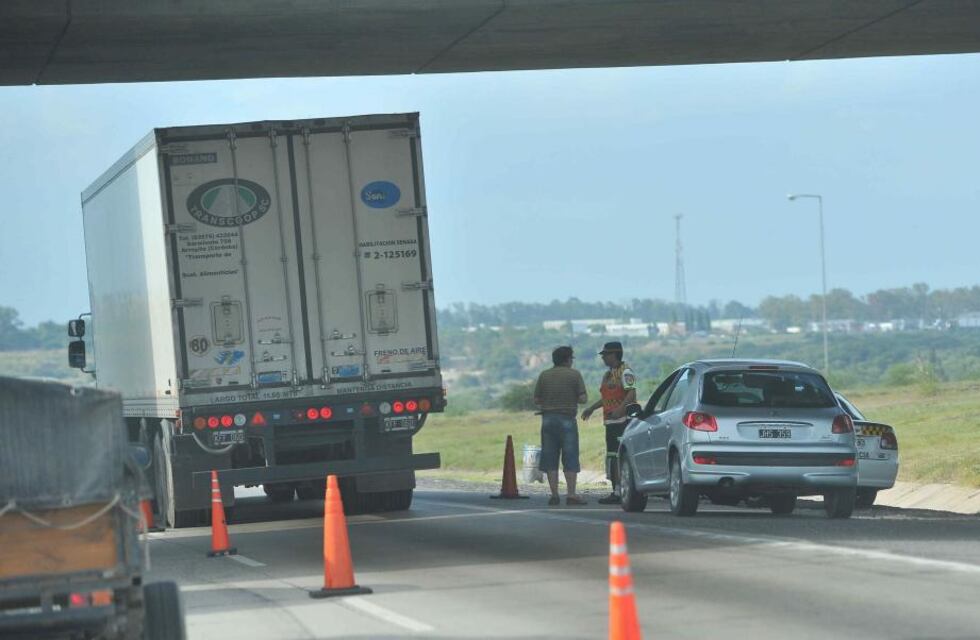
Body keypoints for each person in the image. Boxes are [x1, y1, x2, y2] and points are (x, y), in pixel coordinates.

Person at [581, 341, 637, 505]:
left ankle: (622, 491)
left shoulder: (626, 372)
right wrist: (592, 408)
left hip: (623, 422)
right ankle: (616, 490)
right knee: (612, 457)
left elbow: (631, 394)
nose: (603, 358)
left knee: (619, 456)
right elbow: (606, 398)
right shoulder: (608, 374)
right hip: (611, 422)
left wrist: (620, 409)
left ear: (614, 354)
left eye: (605, 355)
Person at [533, 346, 589, 506]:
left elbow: (537, 399)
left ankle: (554, 494)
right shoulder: (574, 375)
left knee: (550, 457)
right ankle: (571, 494)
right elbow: (583, 399)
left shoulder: (544, 375)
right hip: (567, 419)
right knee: (570, 456)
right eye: (571, 358)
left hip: (548, 420)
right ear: (567, 359)